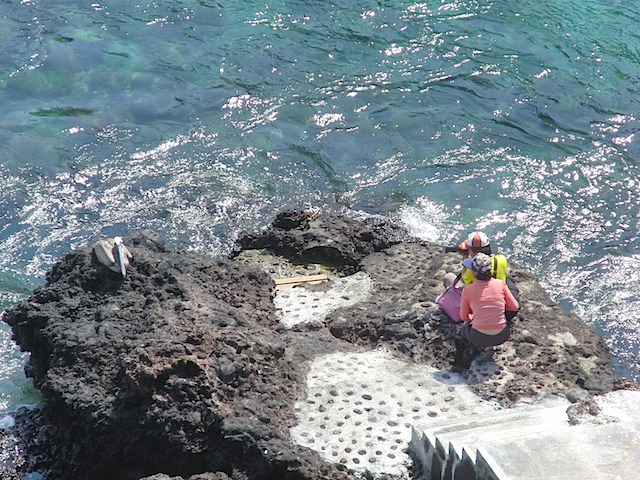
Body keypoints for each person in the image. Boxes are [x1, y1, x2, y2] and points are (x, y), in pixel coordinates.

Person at [459, 253, 519, 362]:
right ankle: (490, 347)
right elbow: (515, 307)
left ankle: (483, 347)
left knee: (463, 328)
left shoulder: (468, 290)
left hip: (478, 336)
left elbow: (464, 316)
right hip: (502, 335)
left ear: (475, 272)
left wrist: (473, 318)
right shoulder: (500, 284)